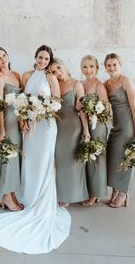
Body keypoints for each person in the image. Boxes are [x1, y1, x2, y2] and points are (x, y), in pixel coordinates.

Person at [0, 45, 71, 254]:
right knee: (29, 161)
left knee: (44, 160)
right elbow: (22, 101)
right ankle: (26, 196)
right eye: (40, 57)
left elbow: (57, 103)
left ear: (49, 60)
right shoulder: (25, 75)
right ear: (35, 57)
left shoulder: (51, 78)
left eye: (46, 58)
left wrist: (41, 109)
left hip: (46, 126)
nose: (42, 61)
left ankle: (40, 200)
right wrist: (25, 117)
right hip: (30, 127)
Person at [104, 53, 135, 208]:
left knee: (126, 159)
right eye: (109, 65)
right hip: (115, 126)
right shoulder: (106, 84)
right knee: (114, 159)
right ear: (105, 67)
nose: (112, 67)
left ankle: (123, 193)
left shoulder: (126, 81)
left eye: (115, 64)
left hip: (128, 126)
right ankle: (115, 190)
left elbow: (134, 107)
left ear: (119, 65)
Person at [49, 58, 89, 207]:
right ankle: (61, 193)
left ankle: (74, 194)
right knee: (59, 160)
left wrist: (86, 130)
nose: (57, 73)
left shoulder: (76, 83)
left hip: (73, 125)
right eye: (53, 71)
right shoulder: (54, 84)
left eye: (58, 68)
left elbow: (82, 109)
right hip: (57, 125)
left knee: (72, 161)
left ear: (64, 66)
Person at [0, 46, 23, 211]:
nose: (2, 59)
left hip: (17, 123)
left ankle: (11, 195)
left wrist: (23, 121)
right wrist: (2, 130)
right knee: (7, 159)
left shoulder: (16, 75)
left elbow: (23, 100)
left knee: (15, 159)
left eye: (4, 55)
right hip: (6, 123)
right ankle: (5, 195)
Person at [80, 55, 108, 205]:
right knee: (86, 159)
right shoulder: (81, 83)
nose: (88, 69)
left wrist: (93, 112)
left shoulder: (99, 86)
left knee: (96, 158)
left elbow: (106, 109)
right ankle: (87, 190)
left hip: (97, 126)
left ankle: (96, 193)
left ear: (97, 68)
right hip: (83, 125)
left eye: (91, 66)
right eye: (85, 66)